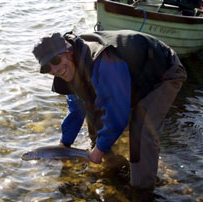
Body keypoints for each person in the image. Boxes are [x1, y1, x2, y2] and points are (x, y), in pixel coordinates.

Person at [32, 30, 187, 201]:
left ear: (68, 52)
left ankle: (142, 191)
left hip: (162, 73)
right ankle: (112, 166)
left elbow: (117, 114)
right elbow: (77, 110)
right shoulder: (69, 70)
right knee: (95, 118)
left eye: (55, 60)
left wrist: (99, 149)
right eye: (47, 68)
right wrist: (64, 145)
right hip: (129, 77)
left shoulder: (102, 60)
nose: (55, 69)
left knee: (141, 130)